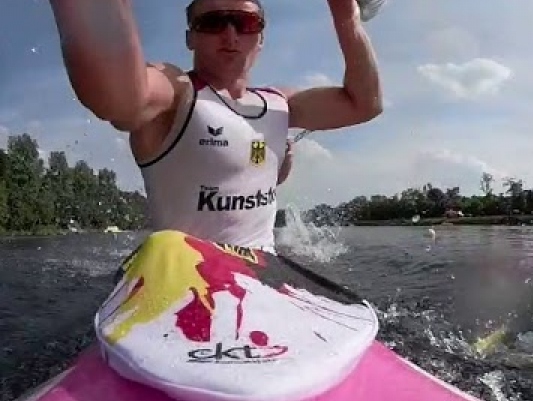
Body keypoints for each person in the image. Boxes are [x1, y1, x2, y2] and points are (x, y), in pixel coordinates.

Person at [47, 0, 382, 252]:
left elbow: (364, 105)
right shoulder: (177, 91)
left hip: (263, 275)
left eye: (245, 22)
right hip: (184, 279)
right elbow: (117, 97)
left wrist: (346, 18)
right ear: (190, 37)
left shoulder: (280, 103)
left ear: (261, 37)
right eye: (212, 22)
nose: (230, 34)